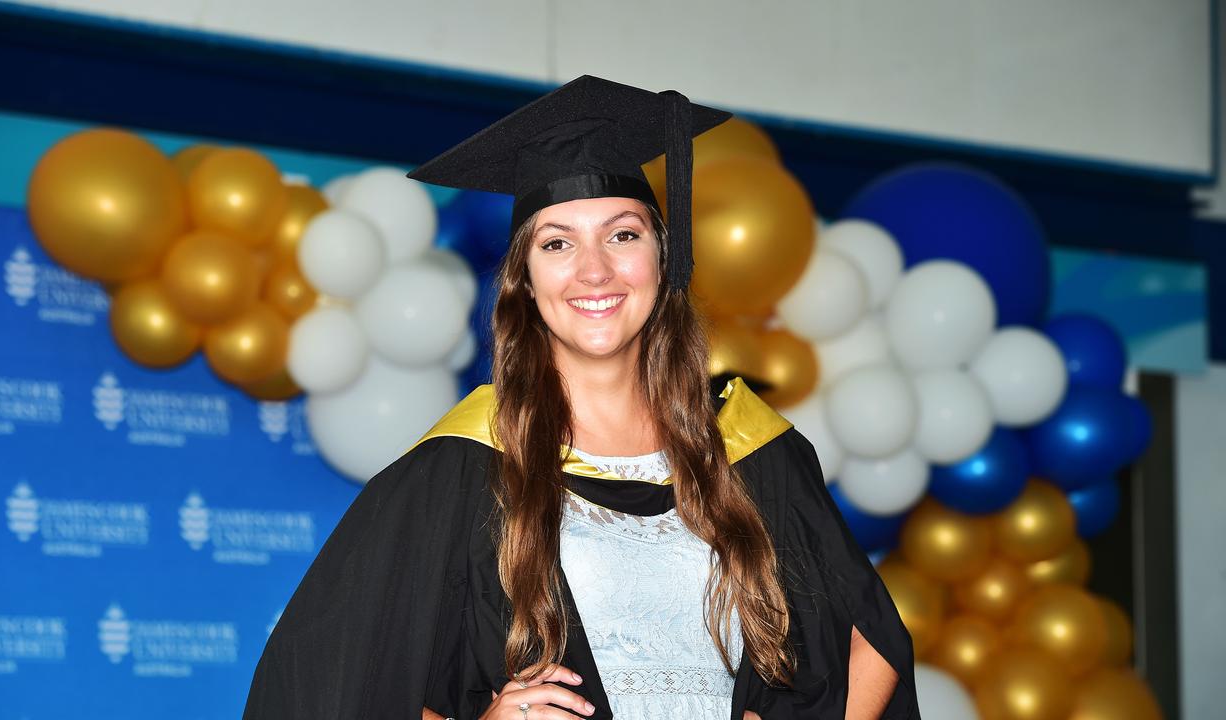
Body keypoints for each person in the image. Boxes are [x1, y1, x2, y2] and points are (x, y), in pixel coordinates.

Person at [243, 75, 918, 720]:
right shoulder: (465, 465)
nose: (595, 270)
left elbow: (873, 643)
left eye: (622, 234)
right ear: (525, 281)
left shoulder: (750, 450)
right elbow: (317, 685)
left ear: (663, 257)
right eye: (557, 242)